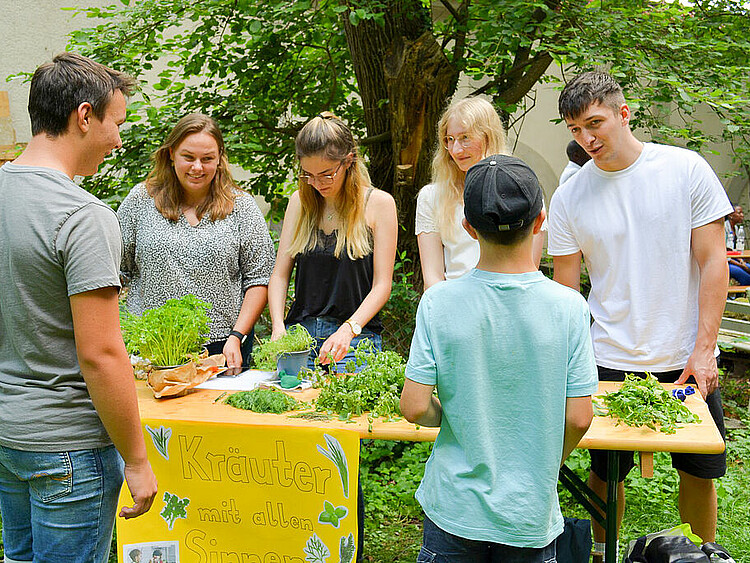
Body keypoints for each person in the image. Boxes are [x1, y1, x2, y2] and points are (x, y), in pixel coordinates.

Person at [548, 71, 730, 557]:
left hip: (684, 356)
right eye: (575, 130)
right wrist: (572, 364)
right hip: (607, 355)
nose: (587, 139)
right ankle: (604, 553)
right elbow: (566, 291)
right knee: (603, 474)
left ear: (623, 114)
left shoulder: (685, 169)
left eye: (595, 123)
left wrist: (705, 350)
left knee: (699, 470)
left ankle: (704, 555)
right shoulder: (569, 196)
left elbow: (715, 263)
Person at [0, 53, 157, 561]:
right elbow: (101, 354)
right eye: (117, 122)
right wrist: (137, 459)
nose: (118, 139)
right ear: (84, 116)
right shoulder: (83, 215)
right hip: (68, 446)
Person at [401, 154, 597, 561]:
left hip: (453, 507)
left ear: (468, 228)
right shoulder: (569, 307)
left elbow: (415, 406)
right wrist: (545, 461)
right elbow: (579, 417)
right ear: (540, 221)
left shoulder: (438, 302)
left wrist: (455, 416)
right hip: (528, 511)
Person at [118, 113, 275, 374]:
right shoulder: (140, 200)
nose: (197, 167)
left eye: (207, 159)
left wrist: (237, 336)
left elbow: (259, 278)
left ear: (220, 158)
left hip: (223, 349)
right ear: (170, 154)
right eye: (188, 157)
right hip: (150, 350)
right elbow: (114, 270)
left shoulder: (242, 207)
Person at [268, 113, 397, 372]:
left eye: (326, 174)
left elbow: (382, 286)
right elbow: (279, 276)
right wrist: (278, 328)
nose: (316, 184)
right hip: (299, 336)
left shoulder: (379, 204)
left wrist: (349, 330)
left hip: (356, 339)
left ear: (348, 161)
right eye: (308, 175)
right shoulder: (299, 202)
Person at [416, 97, 546, 290]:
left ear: (488, 136)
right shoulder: (432, 196)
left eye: (465, 138)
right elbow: (433, 279)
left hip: (511, 301)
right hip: (454, 305)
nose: (456, 149)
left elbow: (529, 270)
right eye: (449, 140)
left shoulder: (523, 190)